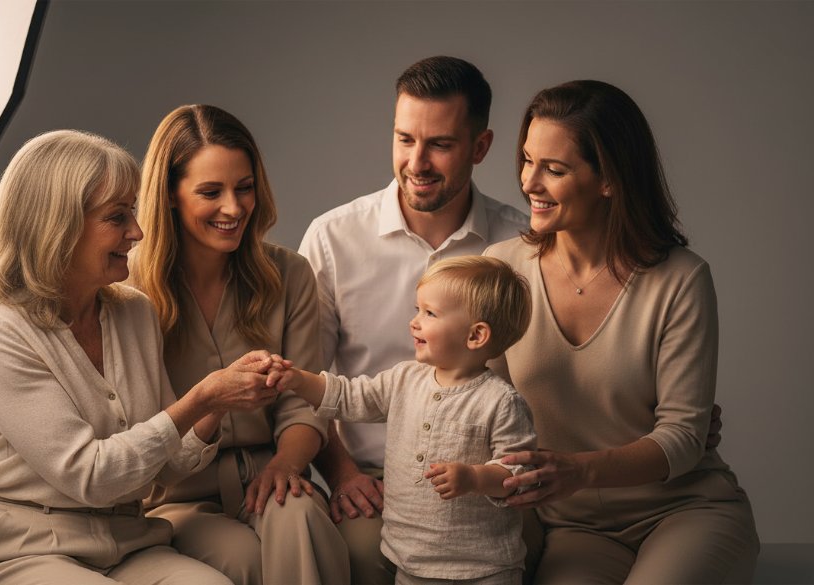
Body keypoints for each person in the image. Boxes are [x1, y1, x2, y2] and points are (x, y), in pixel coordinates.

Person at [0, 107, 349, 585]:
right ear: (58, 225)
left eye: (243, 187)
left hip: (125, 536)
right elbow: (91, 471)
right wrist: (205, 396)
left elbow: (175, 453)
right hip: (29, 542)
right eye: (118, 217)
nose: (136, 232)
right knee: (241, 559)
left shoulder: (130, 309)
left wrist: (218, 400)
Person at [485, 80, 759, 583]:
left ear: (608, 179)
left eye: (555, 168)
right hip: (576, 529)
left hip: (687, 511)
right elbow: (478, 400)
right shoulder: (502, 269)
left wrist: (579, 470)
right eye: (527, 160)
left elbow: (682, 437)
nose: (529, 183)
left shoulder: (681, 279)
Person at [298, 56, 528, 584]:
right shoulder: (333, 239)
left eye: (440, 144)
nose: (416, 162)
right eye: (405, 139)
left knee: (525, 558)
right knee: (362, 560)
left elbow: (553, 371)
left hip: (490, 484)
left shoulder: (518, 245)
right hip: (371, 479)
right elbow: (311, 382)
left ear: (481, 147)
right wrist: (343, 472)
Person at [127, 104, 348, 585]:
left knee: (303, 516)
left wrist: (288, 465)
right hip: (177, 500)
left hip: (276, 472)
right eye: (211, 192)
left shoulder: (289, 274)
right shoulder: (126, 290)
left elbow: (303, 405)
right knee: (243, 561)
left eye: (244, 188)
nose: (233, 207)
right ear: (169, 194)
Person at [270, 256, 536, 585]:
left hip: (483, 567)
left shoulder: (501, 402)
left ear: (476, 335)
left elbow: (518, 474)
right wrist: (297, 379)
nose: (414, 322)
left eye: (430, 313)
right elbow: (349, 397)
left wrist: (475, 478)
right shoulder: (404, 380)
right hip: (410, 559)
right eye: (416, 310)